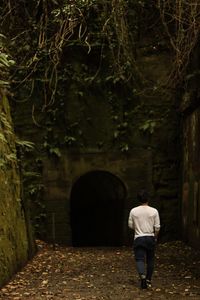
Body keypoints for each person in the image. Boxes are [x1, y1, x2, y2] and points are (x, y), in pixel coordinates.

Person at [128, 189, 160, 289]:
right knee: (150, 259)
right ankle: (148, 280)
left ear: (138, 199)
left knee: (139, 259)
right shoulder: (154, 211)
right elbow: (157, 227)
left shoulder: (133, 211)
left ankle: (142, 277)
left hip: (139, 238)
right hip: (150, 237)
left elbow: (130, 225)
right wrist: (155, 237)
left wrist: (137, 227)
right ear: (148, 199)